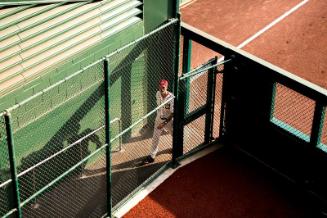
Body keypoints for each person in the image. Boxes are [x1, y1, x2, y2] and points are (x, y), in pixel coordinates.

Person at [143, 79, 174, 164]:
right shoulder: (157, 94)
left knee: (174, 134)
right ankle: (152, 156)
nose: (161, 89)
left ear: (166, 87)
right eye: (160, 87)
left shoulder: (171, 98)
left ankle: (176, 148)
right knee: (155, 137)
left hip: (169, 120)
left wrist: (164, 124)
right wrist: (159, 121)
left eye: (163, 87)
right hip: (159, 119)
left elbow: (172, 114)